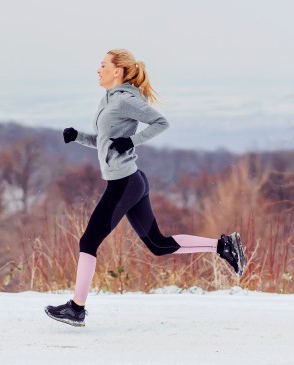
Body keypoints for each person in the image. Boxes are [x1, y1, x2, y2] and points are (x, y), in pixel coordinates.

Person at [44, 49, 246, 327]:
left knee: (88, 241)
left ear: (118, 71)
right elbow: (107, 142)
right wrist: (78, 136)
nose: (98, 69)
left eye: (103, 65)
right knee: (157, 244)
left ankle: (76, 308)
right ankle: (223, 246)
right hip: (131, 181)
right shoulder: (108, 100)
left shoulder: (125, 100)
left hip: (124, 183)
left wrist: (133, 141)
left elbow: (161, 122)